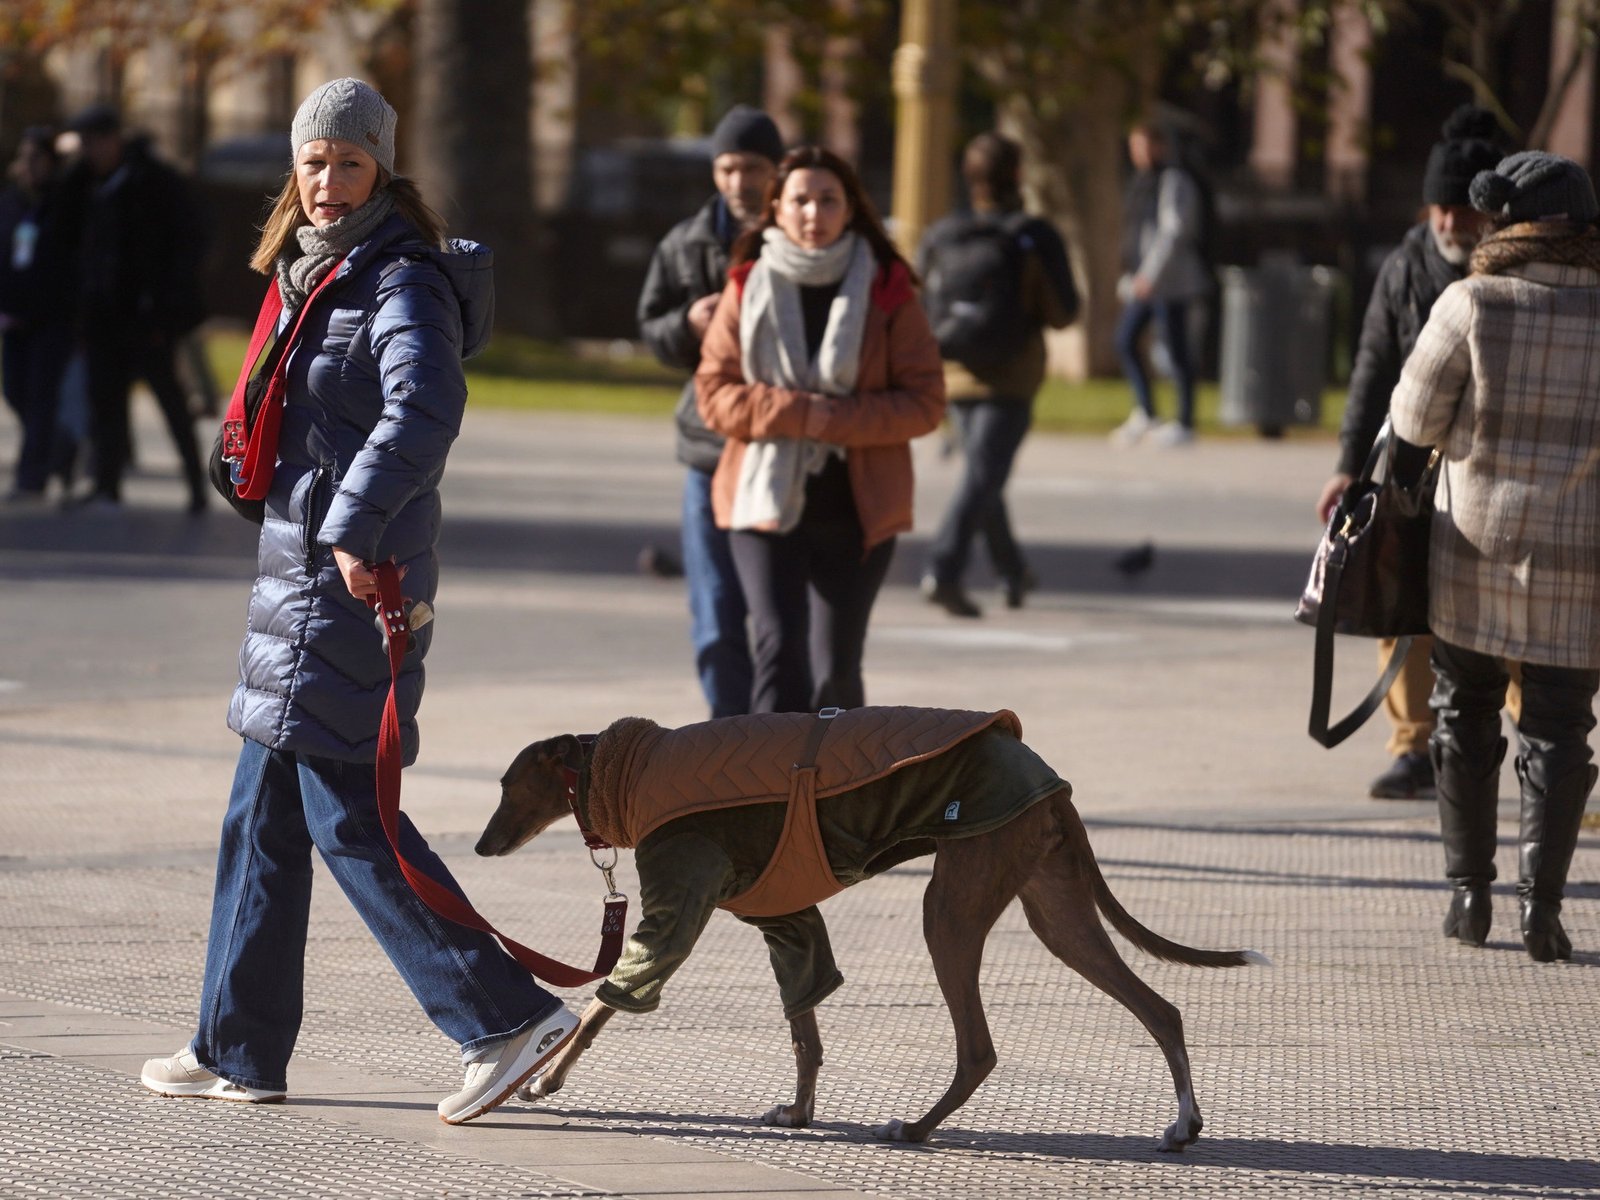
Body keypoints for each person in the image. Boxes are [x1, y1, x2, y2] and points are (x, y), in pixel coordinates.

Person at [139, 78, 576, 1122]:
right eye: (312, 162)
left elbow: (424, 407)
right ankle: (236, 1044)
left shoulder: (399, 281)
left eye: (348, 163)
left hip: (346, 578)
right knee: (262, 825)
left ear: (384, 169)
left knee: (349, 819)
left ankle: (504, 1019)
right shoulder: (315, 275)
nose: (327, 182)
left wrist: (348, 525)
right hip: (298, 579)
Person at [1390, 150, 1600, 963]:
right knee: (1558, 730)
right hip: (1582, 562)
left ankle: (1468, 897)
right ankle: (1540, 911)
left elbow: (1412, 423)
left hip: (1473, 549)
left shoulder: (1471, 302)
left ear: (1505, 223)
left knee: (1464, 711)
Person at [695, 146, 945, 713]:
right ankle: (770, 794)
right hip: (763, 500)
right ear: (777, 208)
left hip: (856, 507)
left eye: (829, 200)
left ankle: (838, 797)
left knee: (836, 667)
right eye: (801, 200)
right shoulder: (745, 285)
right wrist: (800, 414)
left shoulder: (888, 288)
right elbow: (713, 396)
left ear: (851, 209)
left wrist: (838, 420)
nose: (814, 212)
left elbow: (926, 401)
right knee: (779, 650)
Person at [1314, 105, 1503, 801]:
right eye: (1439, 207)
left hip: (1491, 473)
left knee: (1507, 613)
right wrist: (1345, 465)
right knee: (1401, 610)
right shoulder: (1403, 267)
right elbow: (1371, 366)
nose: (1450, 222)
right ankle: (1412, 746)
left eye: (1461, 207)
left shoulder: (1512, 269)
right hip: (1409, 472)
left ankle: (1531, 739)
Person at [638, 105, 782, 717]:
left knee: (780, 616)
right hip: (708, 447)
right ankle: (728, 741)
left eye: (751, 167)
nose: (738, 181)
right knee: (717, 611)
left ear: (776, 169)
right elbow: (651, 325)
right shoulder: (687, 241)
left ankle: (785, 747)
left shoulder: (802, 235)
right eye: (726, 168)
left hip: (783, 447)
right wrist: (686, 323)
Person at [916, 131, 1078, 618]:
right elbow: (1063, 312)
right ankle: (944, 570)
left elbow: (922, 305)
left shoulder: (942, 235)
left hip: (954, 371)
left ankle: (1012, 571)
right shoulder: (1033, 235)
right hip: (1010, 376)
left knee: (982, 476)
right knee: (983, 476)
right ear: (1017, 175)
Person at [67, 103, 208, 511]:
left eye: (96, 143)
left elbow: (187, 242)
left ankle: (196, 483)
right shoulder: (85, 185)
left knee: (170, 402)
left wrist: (166, 305)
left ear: (114, 140)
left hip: (148, 316)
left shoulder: (153, 182)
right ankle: (106, 482)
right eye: (85, 145)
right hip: (101, 314)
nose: (90, 152)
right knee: (105, 402)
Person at [1111, 118, 1212, 448]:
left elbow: (1173, 231)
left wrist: (1150, 275)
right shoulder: (1143, 183)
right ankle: (1147, 411)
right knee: (1125, 340)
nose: (1137, 153)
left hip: (1171, 283)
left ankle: (1185, 421)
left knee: (1177, 350)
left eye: (1142, 146)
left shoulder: (1174, 180)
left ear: (1159, 146)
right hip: (1144, 281)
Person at [0, 126, 82, 502]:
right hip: (14, 317)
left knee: (39, 394)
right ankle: (61, 445)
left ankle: (31, 475)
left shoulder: (65, 203)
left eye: (37, 158)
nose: (28, 166)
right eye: (25, 158)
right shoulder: (12, 203)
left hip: (51, 317)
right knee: (15, 391)